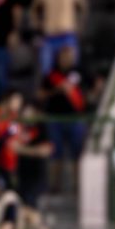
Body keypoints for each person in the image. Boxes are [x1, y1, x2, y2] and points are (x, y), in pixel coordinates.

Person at [38, 45, 88, 192]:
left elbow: (91, 88)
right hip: (55, 119)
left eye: (70, 56)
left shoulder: (80, 72)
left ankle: (77, 186)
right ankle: (55, 186)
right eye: (64, 56)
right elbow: (40, 94)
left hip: (76, 118)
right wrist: (57, 90)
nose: (67, 59)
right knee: (55, 154)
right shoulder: (51, 75)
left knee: (76, 154)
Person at [30, 0, 88, 74]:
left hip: (67, 34)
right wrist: (37, 24)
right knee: (46, 69)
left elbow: (84, 7)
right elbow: (33, 10)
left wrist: (80, 24)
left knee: (72, 68)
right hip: (49, 36)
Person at [15, 121, 53, 229]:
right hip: (21, 176)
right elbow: (11, 146)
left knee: (33, 209)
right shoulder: (18, 126)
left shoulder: (42, 127)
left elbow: (45, 150)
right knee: (24, 210)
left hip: (37, 176)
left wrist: (22, 150)